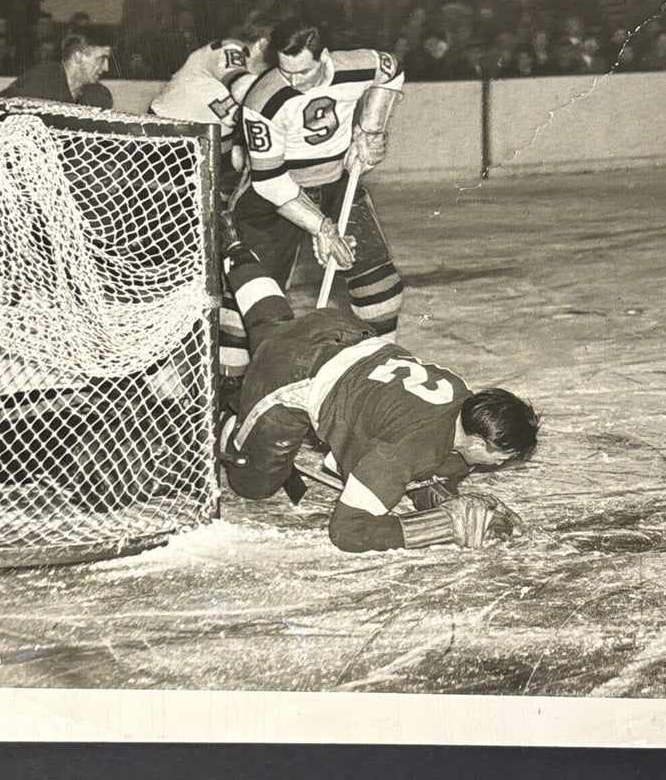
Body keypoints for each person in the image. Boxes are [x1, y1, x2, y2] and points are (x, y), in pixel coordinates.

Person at [217, 227, 538, 553]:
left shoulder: (465, 400)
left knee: (272, 326)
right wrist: (441, 527)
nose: (498, 465)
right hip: (292, 369)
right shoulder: (405, 451)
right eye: (499, 456)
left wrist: (453, 504)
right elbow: (347, 531)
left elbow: (424, 473)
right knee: (254, 484)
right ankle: (226, 421)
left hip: (340, 328)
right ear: (478, 442)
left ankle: (237, 250)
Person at [220, 17, 405, 377]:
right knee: (246, 303)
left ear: (324, 57)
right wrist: (322, 227)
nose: (292, 81)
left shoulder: (356, 65)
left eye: (302, 72)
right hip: (271, 199)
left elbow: (392, 71)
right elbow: (271, 182)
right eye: (285, 71)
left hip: (336, 182)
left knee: (381, 291)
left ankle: (381, 375)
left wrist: (372, 128)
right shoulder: (264, 99)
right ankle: (232, 392)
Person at [147, 21, 271, 177]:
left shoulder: (260, 75)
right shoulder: (231, 48)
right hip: (163, 143)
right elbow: (242, 89)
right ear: (263, 43)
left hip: (200, 150)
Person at [0, 27, 114, 109]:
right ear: (78, 57)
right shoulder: (39, 82)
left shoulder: (99, 96)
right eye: (101, 59)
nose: (106, 68)